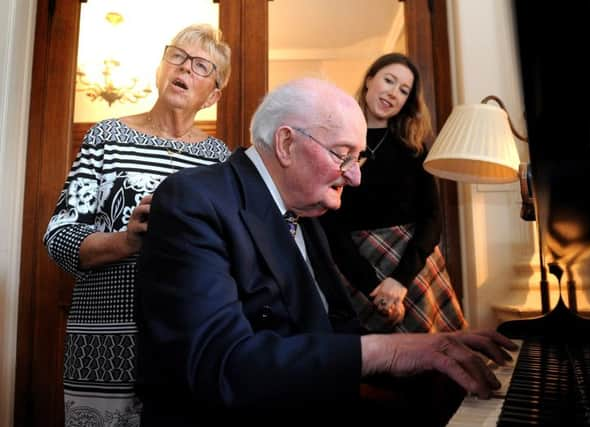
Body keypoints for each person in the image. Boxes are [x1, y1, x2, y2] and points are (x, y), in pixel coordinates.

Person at [135, 77, 517, 422]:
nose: (355, 176)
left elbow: (325, 332)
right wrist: (389, 352)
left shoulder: (307, 211)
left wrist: (427, 346)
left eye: (359, 157)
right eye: (342, 154)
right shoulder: (195, 199)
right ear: (287, 143)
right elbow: (221, 367)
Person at [43, 23, 231, 426]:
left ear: (214, 94)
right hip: (103, 340)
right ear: (160, 69)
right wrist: (127, 241)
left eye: (201, 66)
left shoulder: (219, 160)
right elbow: (59, 233)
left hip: (183, 345)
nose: (184, 68)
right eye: (176, 56)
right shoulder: (105, 137)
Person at [320, 53, 467, 333]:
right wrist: (372, 286)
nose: (393, 93)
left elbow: (432, 217)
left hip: (412, 269)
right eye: (389, 80)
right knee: (366, 367)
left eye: (403, 90)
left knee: (434, 365)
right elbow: (329, 224)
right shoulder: (334, 141)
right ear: (369, 80)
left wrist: (400, 279)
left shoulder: (414, 147)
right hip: (353, 267)